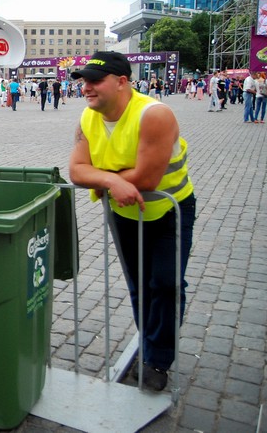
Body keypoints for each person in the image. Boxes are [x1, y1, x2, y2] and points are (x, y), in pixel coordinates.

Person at [68, 51, 196, 392]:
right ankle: (151, 345)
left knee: (166, 284)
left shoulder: (155, 114)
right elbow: (76, 171)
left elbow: (148, 177)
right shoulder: (88, 117)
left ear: (122, 81)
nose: (86, 88)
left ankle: (157, 358)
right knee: (140, 285)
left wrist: (102, 175)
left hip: (169, 211)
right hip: (123, 212)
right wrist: (112, 181)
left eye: (95, 81)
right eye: (84, 82)